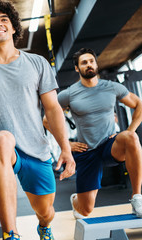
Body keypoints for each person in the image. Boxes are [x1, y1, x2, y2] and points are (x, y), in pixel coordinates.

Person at [0, 1, 75, 239]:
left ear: (14, 28)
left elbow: (52, 109)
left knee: (46, 212)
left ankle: (43, 226)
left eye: (4, 20)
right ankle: (10, 234)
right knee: (3, 140)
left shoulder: (37, 63)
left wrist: (65, 148)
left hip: (37, 149)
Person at [44, 48, 142, 219]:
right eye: (84, 62)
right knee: (86, 210)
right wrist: (66, 144)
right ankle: (76, 200)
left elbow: (138, 105)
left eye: (91, 61)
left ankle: (137, 198)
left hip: (110, 145)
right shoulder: (69, 94)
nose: (88, 65)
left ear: (96, 64)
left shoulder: (112, 87)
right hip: (86, 151)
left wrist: (129, 130)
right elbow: (47, 119)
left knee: (131, 138)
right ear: (77, 68)